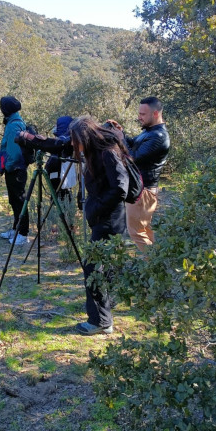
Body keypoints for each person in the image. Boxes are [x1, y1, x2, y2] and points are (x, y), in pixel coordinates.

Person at [69, 116, 129, 335]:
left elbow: (120, 188)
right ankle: (105, 314)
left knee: (92, 268)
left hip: (109, 221)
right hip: (106, 219)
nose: (74, 145)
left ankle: (100, 321)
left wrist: (96, 208)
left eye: (76, 140)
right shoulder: (98, 152)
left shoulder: (107, 153)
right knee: (103, 268)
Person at [107, 97, 170, 252]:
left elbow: (132, 158)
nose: (139, 117)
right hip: (142, 190)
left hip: (143, 191)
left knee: (137, 232)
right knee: (145, 230)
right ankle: (156, 264)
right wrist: (121, 133)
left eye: (143, 114)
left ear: (155, 114)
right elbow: (132, 144)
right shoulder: (149, 132)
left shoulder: (159, 137)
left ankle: (153, 266)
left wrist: (121, 139)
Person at [0, 96, 29, 246]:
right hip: (14, 168)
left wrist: (8, 167)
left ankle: (23, 233)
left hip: (15, 169)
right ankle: (16, 228)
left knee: (19, 200)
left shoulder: (13, 125)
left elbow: (13, 151)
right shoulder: (13, 122)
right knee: (14, 200)